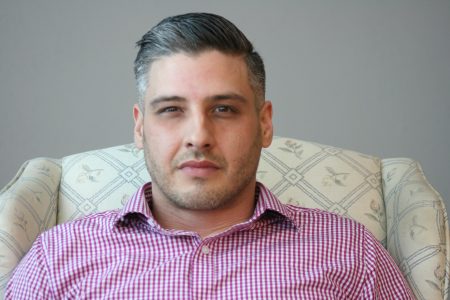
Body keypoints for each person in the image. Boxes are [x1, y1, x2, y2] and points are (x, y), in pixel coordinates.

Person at [6, 13, 414, 299]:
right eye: (171, 110)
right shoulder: (57, 258)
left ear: (265, 123)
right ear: (139, 126)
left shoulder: (350, 253)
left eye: (224, 109)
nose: (198, 136)